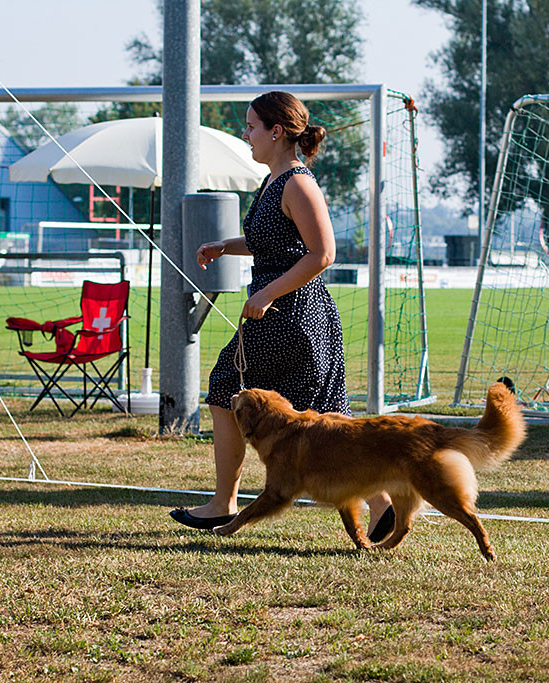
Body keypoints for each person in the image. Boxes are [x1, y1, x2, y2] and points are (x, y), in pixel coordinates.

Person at [169, 91, 394, 540]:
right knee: (317, 414)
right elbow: (274, 242)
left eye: (251, 126)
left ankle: (224, 504)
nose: (245, 134)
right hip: (281, 315)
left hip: (294, 316)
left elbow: (322, 253)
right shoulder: (274, 181)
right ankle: (380, 504)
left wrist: (268, 293)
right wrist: (225, 246)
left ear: (276, 132)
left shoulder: (298, 183)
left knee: (234, 391)